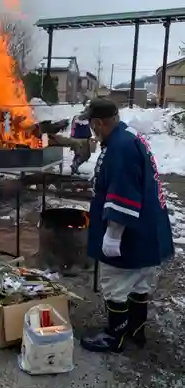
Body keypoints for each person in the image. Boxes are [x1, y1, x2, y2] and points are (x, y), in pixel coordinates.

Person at [79, 98, 174, 354]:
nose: (92, 130)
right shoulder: (128, 136)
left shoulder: (121, 148)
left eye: (92, 125)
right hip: (147, 228)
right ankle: (135, 329)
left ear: (99, 123)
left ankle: (114, 336)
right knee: (139, 282)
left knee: (115, 283)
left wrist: (112, 234)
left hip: (130, 232)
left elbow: (124, 192)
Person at [70, 103, 93, 175]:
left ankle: (74, 168)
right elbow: (82, 121)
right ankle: (74, 165)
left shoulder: (82, 117)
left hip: (80, 138)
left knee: (78, 154)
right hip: (81, 139)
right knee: (85, 155)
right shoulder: (79, 117)